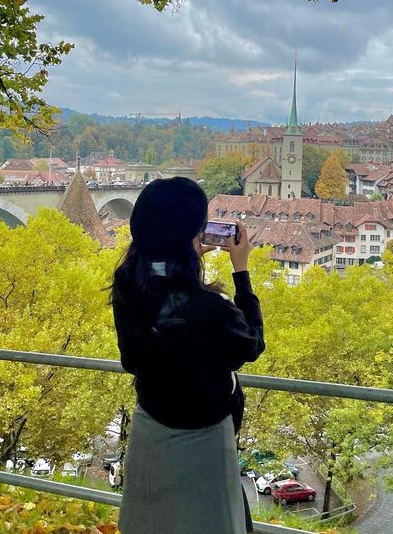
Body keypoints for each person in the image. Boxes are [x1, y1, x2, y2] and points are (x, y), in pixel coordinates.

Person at [112, 177, 264, 534]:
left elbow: (132, 359)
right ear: (194, 235)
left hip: (150, 428)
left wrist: (183, 258)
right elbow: (251, 344)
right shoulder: (210, 308)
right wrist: (242, 273)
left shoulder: (128, 285)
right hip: (204, 440)